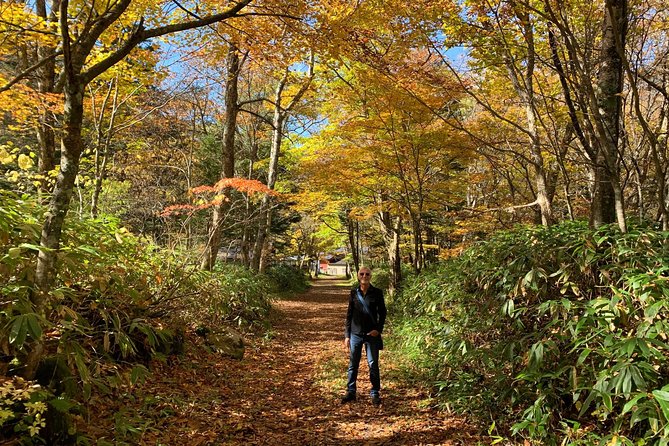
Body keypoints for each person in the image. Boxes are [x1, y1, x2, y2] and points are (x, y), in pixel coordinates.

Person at [341, 266, 387, 406]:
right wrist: (347, 335)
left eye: (367, 274)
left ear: (371, 276)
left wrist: (378, 330)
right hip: (355, 334)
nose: (364, 276)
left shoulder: (377, 293)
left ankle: (375, 393)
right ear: (358, 276)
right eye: (362, 274)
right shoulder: (353, 293)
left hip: (371, 335)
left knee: (373, 364)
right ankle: (351, 391)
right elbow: (349, 315)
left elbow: (383, 313)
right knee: (353, 364)